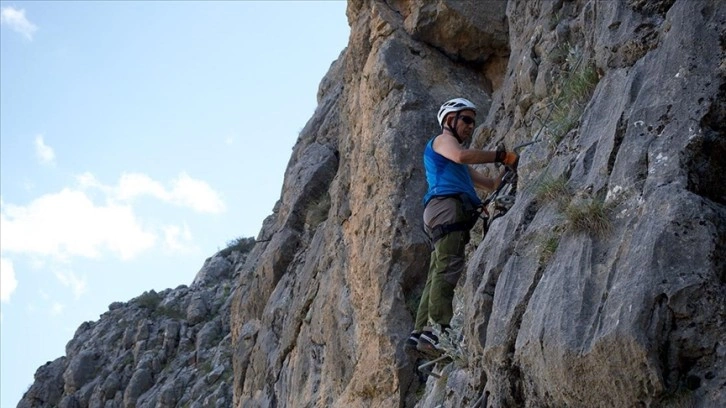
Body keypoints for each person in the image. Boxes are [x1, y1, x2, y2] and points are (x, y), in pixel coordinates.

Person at [406, 97, 518, 357]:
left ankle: (420, 331)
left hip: (441, 212)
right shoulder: (444, 140)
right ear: (449, 120)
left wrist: (510, 169)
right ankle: (438, 330)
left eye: (472, 122)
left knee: (438, 268)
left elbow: (490, 185)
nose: (470, 126)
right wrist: (502, 155)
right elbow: (461, 154)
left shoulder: (455, 166)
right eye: (466, 119)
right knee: (447, 267)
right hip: (447, 208)